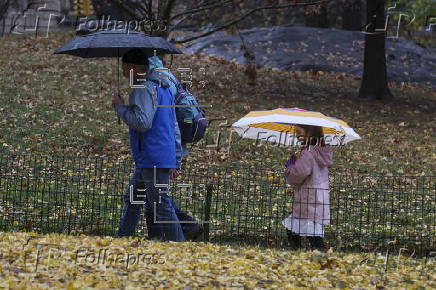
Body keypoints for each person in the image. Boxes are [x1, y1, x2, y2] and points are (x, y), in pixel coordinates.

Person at [113, 48, 185, 241]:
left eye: (124, 67)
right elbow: (173, 125)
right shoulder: (163, 87)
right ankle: (123, 237)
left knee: (161, 206)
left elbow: (143, 123)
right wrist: (176, 157)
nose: (122, 72)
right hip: (156, 155)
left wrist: (120, 108)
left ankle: (181, 247)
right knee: (134, 198)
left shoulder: (143, 89)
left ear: (134, 68)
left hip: (152, 155)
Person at [147, 54, 204, 241]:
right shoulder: (166, 76)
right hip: (168, 147)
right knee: (154, 194)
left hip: (167, 149)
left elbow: (171, 125)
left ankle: (185, 228)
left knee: (158, 196)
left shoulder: (159, 81)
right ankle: (163, 234)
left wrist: (175, 158)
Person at [282, 124, 333, 251]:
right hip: (318, 196)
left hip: (308, 197)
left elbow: (297, 175)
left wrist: (290, 166)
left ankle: (317, 251)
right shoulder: (319, 151)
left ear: (310, 133)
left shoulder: (308, 153)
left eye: (299, 132)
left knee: (310, 231)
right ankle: (299, 249)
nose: (296, 135)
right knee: (298, 226)